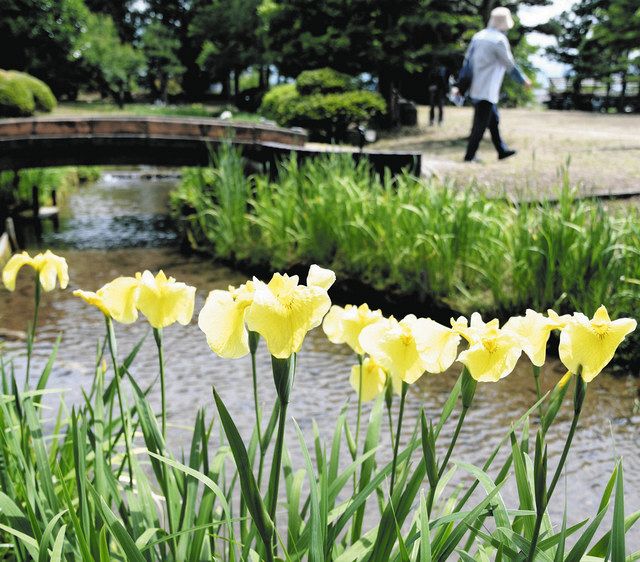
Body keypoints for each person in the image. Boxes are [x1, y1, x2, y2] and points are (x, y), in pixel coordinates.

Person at [463, 6, 531, 162]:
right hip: (487, 87)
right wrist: (523, 80)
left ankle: (502, 150)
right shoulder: (499, 40)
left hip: (476, 85)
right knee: (480, 124)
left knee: (493, 120)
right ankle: (469, 156)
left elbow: (467, 60)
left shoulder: (478, 36)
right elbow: (510, 65)